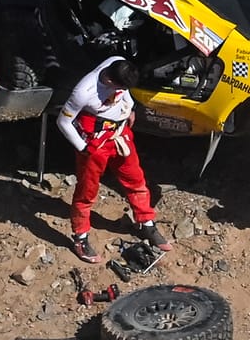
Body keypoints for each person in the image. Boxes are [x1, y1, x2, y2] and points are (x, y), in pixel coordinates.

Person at [55, 57, 170, 262]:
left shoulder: (118, 63)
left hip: (120, 134)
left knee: (135, 179)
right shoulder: (84, 92)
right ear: (109, 81)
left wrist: (130, 107)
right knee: (87, 191)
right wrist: (84, 148)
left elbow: (125, 91)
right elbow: (63, 121)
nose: (123, 90)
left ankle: (146, 222)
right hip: (95, 142)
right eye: (121, 87)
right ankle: (80, 238)